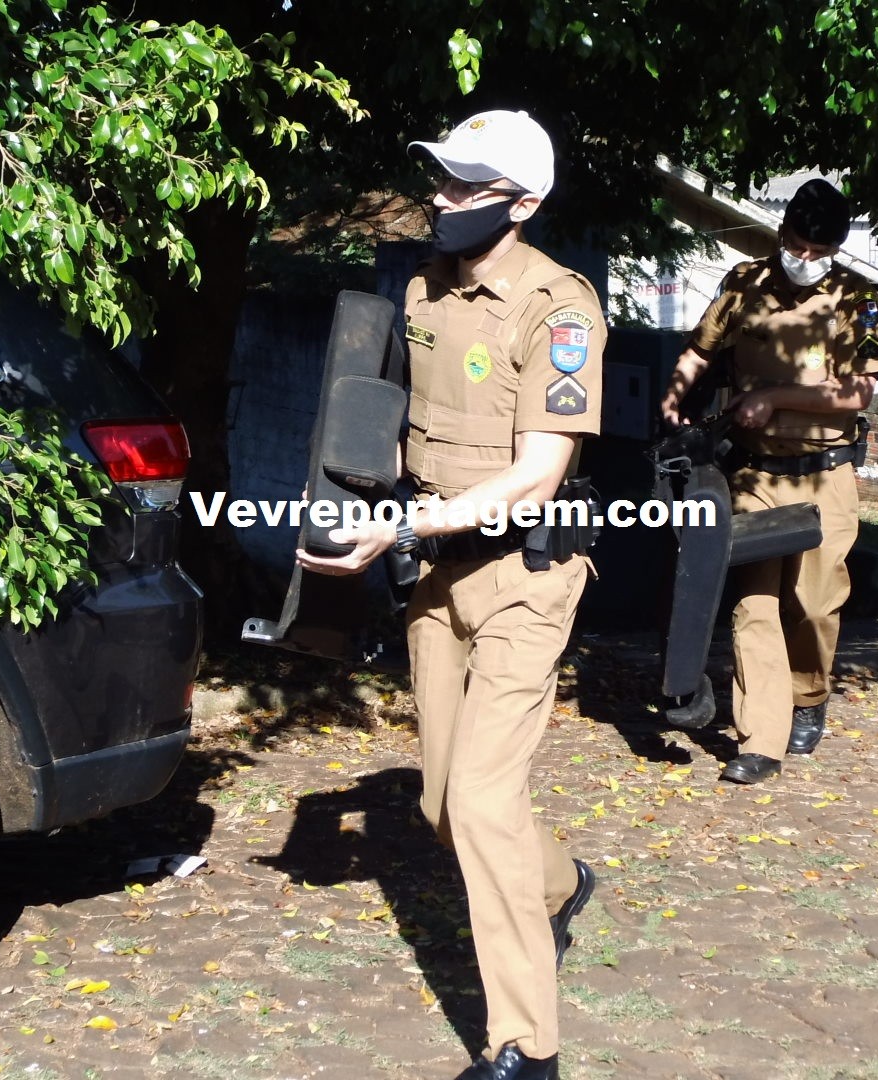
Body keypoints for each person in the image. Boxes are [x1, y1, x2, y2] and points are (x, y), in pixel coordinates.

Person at [296, 109, 604, 1080]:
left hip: (524, 577)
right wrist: (350, 496)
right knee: (440, 804)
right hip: (436, 575)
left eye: (467, 186)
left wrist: (403, 528)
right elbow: (401, 428)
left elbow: (538, 476)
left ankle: (527, 1045)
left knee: (480, 798)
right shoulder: (423, 289)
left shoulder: (559, 310)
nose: (442, 198)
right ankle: (560, 884)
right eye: (441, 179)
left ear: (524, 203)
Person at [657, 178, 878, 784]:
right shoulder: (744, 283)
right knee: (753, 603)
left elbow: (858, 392)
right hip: (754, 473)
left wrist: (775, 397)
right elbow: (700, 350)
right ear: (781, 232)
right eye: (796, 244)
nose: (804, 258)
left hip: (824, 476)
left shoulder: (857, 299)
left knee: (813, 605)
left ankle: (808, 694)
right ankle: (761, 738)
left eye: (819, 251)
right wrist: (676, 395)